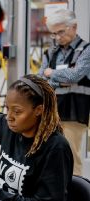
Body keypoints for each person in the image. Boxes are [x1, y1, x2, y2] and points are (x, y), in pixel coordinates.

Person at [38, 9, 90, 176]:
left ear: (74, 27)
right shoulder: (51, 52)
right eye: (54, 34)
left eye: (61, 31)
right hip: (52, 111)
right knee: (50, 157)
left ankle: (77, 198)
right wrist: (61, 78)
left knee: (72, 158)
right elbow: (41, 78)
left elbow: (75, 75)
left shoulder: (86, 50)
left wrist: (52, 73)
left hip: (74, 111)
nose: (58, 37)